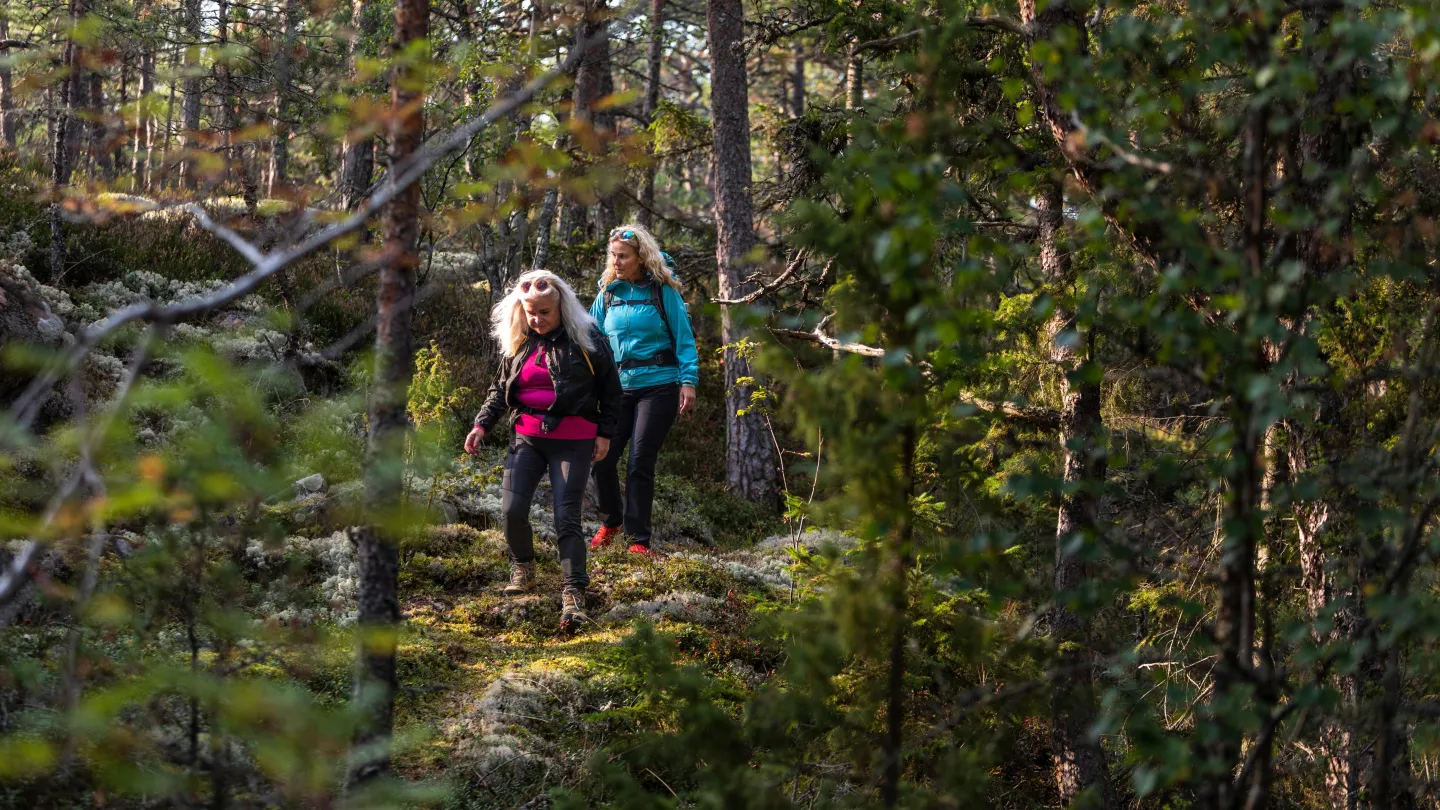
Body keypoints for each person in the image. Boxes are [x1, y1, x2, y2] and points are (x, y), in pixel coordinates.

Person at [465, 269, 621, 630]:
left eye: (544, 312)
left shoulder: (588, 338)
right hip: (527, 438)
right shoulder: (521, 339)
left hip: (575, 439)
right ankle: (523, 567)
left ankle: (574, 592)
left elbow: (612, 392)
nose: (537, 319)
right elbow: (499, 388)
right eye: (530, 312)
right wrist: (480, 425)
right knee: (511, 509)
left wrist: (604, 434)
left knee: (566, 516)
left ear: (561, 307)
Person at [587, 224, 700, 554]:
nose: (616, 262)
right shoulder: (608, 293)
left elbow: (684, 339)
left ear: (641, 257)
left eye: (623, 256)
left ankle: (639, 541)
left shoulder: (663, 291)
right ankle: (612, 522)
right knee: (602, 458)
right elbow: (590, 338)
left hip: (659, 387)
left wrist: (688, 382)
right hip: (617, 390)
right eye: (613, 256)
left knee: (640, 461)